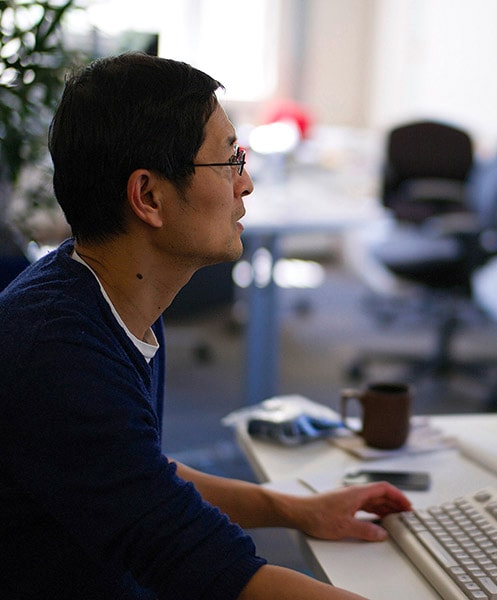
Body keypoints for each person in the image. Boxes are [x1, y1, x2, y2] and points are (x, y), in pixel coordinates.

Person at [0, 52, 412, 599]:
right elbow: (213, 574)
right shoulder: (56, 352)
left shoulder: (109, 294)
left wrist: (295, 510)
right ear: (149, 196)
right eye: (229, 161)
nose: (246, 184)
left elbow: (138, 475)